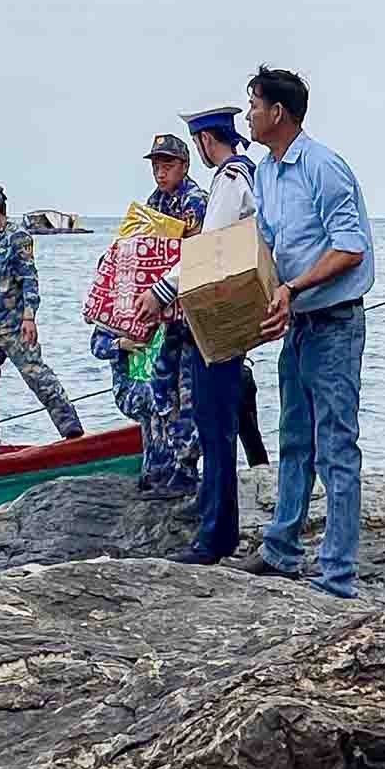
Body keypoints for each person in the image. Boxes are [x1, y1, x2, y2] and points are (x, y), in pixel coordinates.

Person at [243, 66, 373, 598]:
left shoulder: (323, 167)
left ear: (277, 112)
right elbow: (270, 246)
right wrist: (268, 303)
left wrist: (292, 289)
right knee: (293, 439)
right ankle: (281, 551)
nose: (247, 114)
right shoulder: (265, 173)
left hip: (336, 324)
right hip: (297, 324)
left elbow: (350, 247)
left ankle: (338, 575)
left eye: (253, 104)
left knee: (336, 447)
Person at [149, 104, 265, 564]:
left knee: (214, 428)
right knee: (220, 425)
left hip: (217, 315)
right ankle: (218, 527)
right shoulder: (251, 172)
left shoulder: (230, 179)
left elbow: (212, 244)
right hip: (233, 311)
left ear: (202, 142)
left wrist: (161, 290)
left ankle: (214, 537)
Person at [110, 132, 207, 495]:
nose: (160, 172)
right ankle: (163, 463)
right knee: (162, 388)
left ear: (184, 165)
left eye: (167, 165)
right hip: (159, 314)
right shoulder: (154, 202)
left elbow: (194, 256)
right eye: (156, 165)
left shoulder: (195, 203)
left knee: (186, 393)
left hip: (187, 312)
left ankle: (186, 466)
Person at [0, 181, 85, 453]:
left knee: (37, 376)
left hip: (13, 326)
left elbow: (30, 280)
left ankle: (71, 428)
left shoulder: (17, 237)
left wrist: (29, 317)